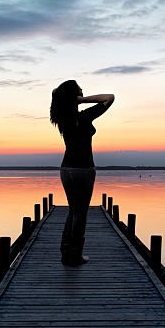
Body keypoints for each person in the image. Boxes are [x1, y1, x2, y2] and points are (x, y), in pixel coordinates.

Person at [49, 80, 114, 266]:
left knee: (73, 211)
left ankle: (66, 252)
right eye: (79, 90)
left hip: (66, 169)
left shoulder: (63, 118)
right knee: (80, 213)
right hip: (83, 169)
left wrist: (72, 100)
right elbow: (110, 98)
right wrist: (82, 100)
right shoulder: (83, 117)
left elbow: (56, 95)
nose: (83, 92)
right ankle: (75, 255)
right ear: (74, 96)